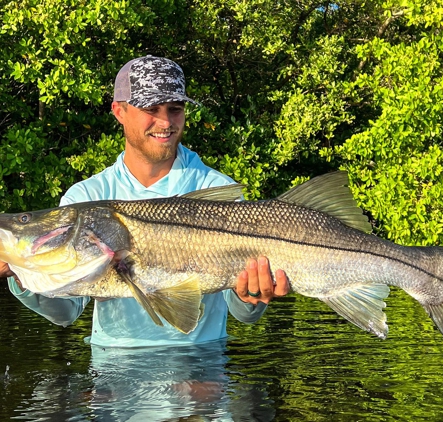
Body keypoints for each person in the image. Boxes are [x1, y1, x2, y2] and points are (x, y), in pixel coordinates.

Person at [0, 55, 289, 347]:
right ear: (119, 111)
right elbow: (65, 313)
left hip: (202, 369)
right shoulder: (86, 197)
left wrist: (251, 297)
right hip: (114, 373)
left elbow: (242, 312)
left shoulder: (216, 188)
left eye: (175, 109)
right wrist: (21, 275)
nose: (165, 122)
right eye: (151, 109)